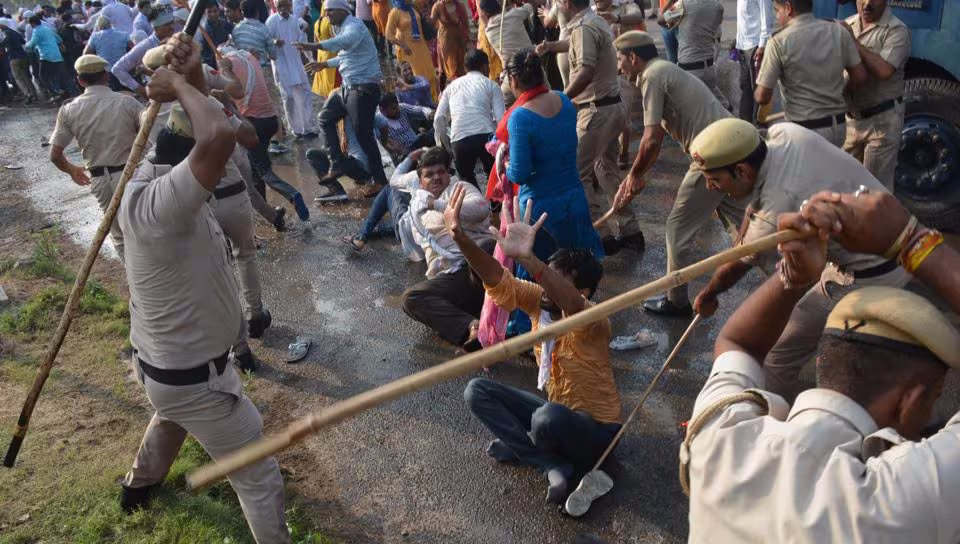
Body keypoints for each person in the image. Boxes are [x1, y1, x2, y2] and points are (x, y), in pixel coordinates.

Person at [684, 189, 960, 541]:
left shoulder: (720, 439)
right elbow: (741, 344)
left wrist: (793, 275)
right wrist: (912, 242)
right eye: (935, 397)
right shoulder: (906, 500)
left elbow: (738, 343)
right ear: (913, 401)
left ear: (824, 360)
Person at [116, 33, 289, 543]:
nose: (215, 171)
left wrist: (190, 75)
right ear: (185, 164)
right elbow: (216, 137)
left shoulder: (158, 183)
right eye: (205, 167)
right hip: (198, 379)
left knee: (169, 416)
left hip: (167, 369)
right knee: (258, 477)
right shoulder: (163, 205)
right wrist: (175, 84)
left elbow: (207, 136)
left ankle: (138, 486)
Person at [690, 118, 910, 402]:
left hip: (870, 274)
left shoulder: (776, 206)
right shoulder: (784, 134)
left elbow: (736, 266)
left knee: (776, 355)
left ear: (742, 170)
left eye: (715, 179)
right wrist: (743, 237)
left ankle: (773, 429)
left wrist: (708, 295)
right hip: (896, 240)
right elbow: (752, 212)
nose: (710, 187)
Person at [451, 189, 622, 504]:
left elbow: (570, 301)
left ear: (583, 291)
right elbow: (496, 278)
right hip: (556, 413)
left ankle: (529, 446)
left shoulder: (594, 320)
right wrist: (460, 238)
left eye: (553, 281)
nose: (544, 286)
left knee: (547, 419)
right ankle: (547, 460)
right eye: (545, 278)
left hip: (597, 434)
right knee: (477, 390)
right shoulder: (538, 302)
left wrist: (529, 259)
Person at [611, 31, 745, 316]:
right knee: (741, 222)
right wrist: (636, 173)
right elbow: (655, 141)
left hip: (714, 153)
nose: (619, 67)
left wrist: (634, 175)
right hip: (730, 145)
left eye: (620, 60)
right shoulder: (663, 70)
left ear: (634, 58)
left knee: (676, 228)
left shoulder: (651, 76)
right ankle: (780, 266)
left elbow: (651, 139)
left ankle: (677, 300)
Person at [538, 0, 642, 255]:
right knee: (605, 169)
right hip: (610, 107)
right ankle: (631, 231)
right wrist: (551, 46)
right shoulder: (592, 21)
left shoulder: (584, 26)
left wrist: (562, 99)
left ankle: (602, 235)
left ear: (566, 4)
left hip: (596, 110)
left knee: (577, 173)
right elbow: (577, 44)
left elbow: (585, 70)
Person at [497, 49, 604, 271]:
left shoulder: (520, 117)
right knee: (578, 271)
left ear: (513, 80)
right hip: (574, 200)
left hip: (540, 212)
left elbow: (520, 173)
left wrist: (504, 164)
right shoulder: (564, 101)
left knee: (543, 278)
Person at [48, 54, 140, 261]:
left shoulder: (69, 109)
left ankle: (138, 287)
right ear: (106, 76)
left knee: (120, 237)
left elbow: (55, 155)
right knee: (147, 230)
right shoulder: (128, 102)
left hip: (101, 180)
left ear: (80, 81)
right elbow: (151, 139)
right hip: (134, 174)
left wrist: (73, 170)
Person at [400, 147, 494, 349]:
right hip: (453, 277)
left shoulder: (459, 188)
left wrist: (438, 205)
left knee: (488, 247)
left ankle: (507, 312)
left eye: (441, 172)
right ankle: (472, 326)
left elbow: (481, 209)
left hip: (478, 267)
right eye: (429, 175)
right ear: (421, 180)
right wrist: (409, 157)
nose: (436, 178)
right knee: (411, 298)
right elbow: (395, 180)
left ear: (448, 173)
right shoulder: (416, 210)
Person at [295, 0, 388, 188]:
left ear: (342, 10)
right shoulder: (340, 27)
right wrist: (324, 64)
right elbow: (346, 56)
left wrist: (314, 46)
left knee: (363, 134)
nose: (327, 16)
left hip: (363, 88)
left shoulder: (354, 26)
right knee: (324, 117)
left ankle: (380, 180)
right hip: (348, 86)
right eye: (326, 12)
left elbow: (343, 42)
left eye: (330, 12)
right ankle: (336, 162)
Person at [754, 0, 867, 147]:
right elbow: (860, 76)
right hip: (838, 128)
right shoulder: (838, 31)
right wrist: (842, 93)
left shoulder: (778, 41)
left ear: (788, 8)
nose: (777, 16)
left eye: (777, 10)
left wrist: (758, 83)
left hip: (804, 132)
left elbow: (762, 97)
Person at [218, 46, 311, 221]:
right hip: (269, 119)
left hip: (253, 121)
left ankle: (292, 194)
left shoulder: (228, 65)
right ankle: (268, 212)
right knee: (255, 168)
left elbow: (229, 92)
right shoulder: (249, 57)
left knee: (262, 170)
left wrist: (223, 69)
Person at [841, 0, 910, 190]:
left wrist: (853, 43)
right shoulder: (849, 24)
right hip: (851, 121)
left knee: (874, 191)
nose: (867, 3)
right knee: (844, 186)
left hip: (881, 124)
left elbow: (884, 70)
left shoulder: (897, 31)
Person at [434, 49, 503, 188]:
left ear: (466, 68)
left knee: (467, 181)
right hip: (487, 137)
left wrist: (447, 147)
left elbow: (438, 118)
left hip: (459, 139)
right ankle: (495, 208)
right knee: (495, 177)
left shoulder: (451, 87)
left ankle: (477, 208)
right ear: (484, 66)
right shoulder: (491, 85)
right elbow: (502, 119)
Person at [266, 0, 316, 138]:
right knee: (288, 97)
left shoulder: (295, 21)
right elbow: (266, 41)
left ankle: (309, 127)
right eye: (280, 6)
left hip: (296, 62)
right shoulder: (271, 21)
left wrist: (311, 59)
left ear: (290, 6)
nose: (283, 9)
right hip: (281, 64)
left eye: (286, 5)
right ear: (276, 6)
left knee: (305, 93)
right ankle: (296, 129)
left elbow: (303, 40)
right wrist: (275, 42)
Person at [478, 0, 539, 104]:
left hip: (512, 75)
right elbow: (533, 5)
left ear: (485, 13)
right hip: (534, 68)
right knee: (547, 93)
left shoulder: (488, 31)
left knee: (503, 105)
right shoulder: (515, 14)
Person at [673, 0, 728, 110]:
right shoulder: (717, 6)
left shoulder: (682, 5)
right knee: (719, 107)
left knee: (691, 113)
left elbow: (661, 20)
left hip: (689, 71)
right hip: (708, 68)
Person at [112, 4, 175, 96]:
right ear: (155, 28)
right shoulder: (145, 46)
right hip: (160, 98)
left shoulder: (176, 37)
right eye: (166, 24)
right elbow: (117, 69)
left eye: (172, 22)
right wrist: (141, 90)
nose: (172, 27)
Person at [385, 0, 438, 101]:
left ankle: (433, 100)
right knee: (416, 77)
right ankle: (418, 103)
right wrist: (403, 46)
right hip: (408, 51)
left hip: (421, 47)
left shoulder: (413, 7)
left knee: (430, 74)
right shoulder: (395, 12)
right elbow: (389, 35)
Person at [733, 0, 773, 122]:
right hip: (743, 47)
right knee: (746, 88)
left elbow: (767, 19)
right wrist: (737, 42)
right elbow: (744, 19)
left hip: (755, 46)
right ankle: (746, 126)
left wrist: (762, 46)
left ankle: (759, 126)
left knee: (757, 91)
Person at [24, 14, 75, 100]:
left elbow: (32, 44)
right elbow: (58, 39)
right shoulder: (47, 29)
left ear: (33, 23)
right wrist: (60, 45)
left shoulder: (37, 30)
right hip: (57, 56)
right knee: (59, 75)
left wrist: (25, 45)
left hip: (46, 57)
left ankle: (55, 92)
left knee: (43, 76)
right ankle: (67, 92)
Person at [375, 90, 435, 163]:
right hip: (403, 155)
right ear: (382, 110)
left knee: (434, 131)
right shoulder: (378, 122)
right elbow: (388, 144)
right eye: (393, 108)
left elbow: (420, 109)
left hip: (416, 142)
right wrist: (400, 150)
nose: (397, 109)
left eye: (397, 106)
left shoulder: (402, 107)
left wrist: (429, 113)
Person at [83, 16, 130, 90]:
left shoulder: (95, 37)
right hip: (124, 67)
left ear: (98, 26)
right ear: (110, 24)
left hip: (106, 70)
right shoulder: (124, 35)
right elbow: (134, 48)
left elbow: (86, 54)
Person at [1, 18, 39, 103]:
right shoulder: (16, 32)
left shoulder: (7, 33)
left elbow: (3, 43)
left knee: (18, 78)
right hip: (23, 56)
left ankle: (27, 95)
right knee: (26, 76)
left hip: (14, 58)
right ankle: (34, 94)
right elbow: (24, 42)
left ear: (3, 25)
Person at [430, 0, 468, 81]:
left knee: (462, 68)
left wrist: (466, 40)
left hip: (459, 41)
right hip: (446, 42)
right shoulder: (438, 6)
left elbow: (466, 25)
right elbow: (431, 24)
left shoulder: (460, 5)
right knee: (451, 68)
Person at [308, 0, 338, 98]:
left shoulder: (317, 23)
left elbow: (315, 42)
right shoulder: (330, 23)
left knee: (325, 84)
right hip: (331, 55)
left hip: (321, 56)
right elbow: (336, 40)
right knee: (334, 84)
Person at [201, 1, 233, 69]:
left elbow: (233, 32)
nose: (213, 14)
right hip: (213, 66)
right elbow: (204, 56)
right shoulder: (203, 31)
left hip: (227, 60)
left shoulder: (224, 23)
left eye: (215, 11)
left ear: (219, 11)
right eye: (209, 12)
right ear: (204, 13)